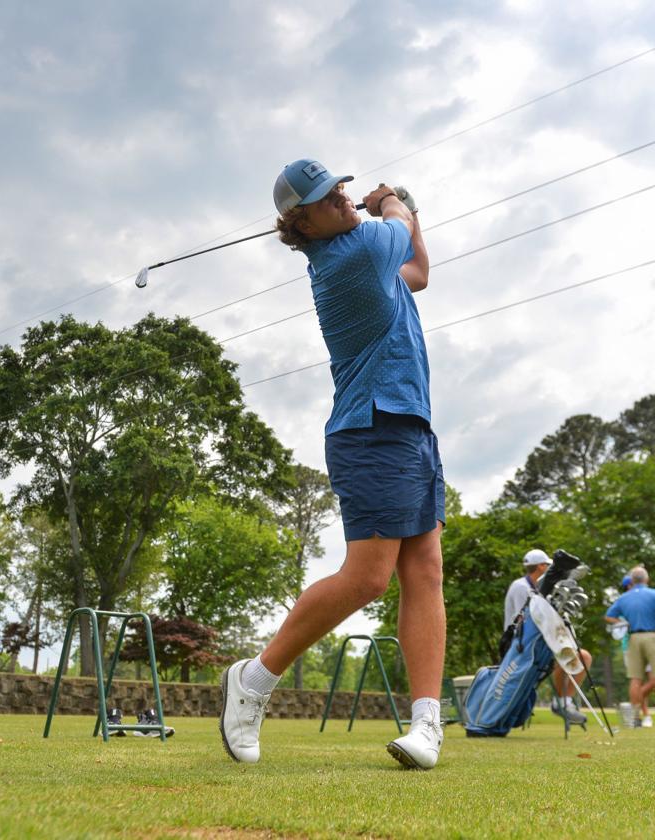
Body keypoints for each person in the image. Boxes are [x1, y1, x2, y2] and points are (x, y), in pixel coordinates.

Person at [220, 160, 444, 770]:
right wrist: (392, 200)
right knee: (368, 579)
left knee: (425, 572)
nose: (343, 198)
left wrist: (408, 211)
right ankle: (254, 680)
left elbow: (419, 274)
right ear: (304, 225)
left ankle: (427, 724)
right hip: (370, 429)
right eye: (327, 198)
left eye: (341, 188)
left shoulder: (370, 252)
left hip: (411, 424)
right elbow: (395, 226)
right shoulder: (353, 255)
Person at [504, 549, 593, 726]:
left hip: (537, 643)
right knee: (573, 657)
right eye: (547, 565)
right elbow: (525, 620)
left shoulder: (539, 587)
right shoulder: (521, 587)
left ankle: (563, 702)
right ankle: (561, 703)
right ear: (540, 566)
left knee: (583, 657)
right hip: (520, 646)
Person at [605, 566, 655, 728]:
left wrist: (624, 623)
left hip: (633, 638)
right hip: (654, 636)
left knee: (635, 679)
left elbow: (609, 616)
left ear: (632, 580)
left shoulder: (623, 598)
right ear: (647, 579)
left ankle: (636, 719)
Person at [614, 575, 655, 726]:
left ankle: (634, 707)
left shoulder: (641, 600)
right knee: (637, 681)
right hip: (630, 646)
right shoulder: (625, 602)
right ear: (629, 586)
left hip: (648, 644)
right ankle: (644, 716)